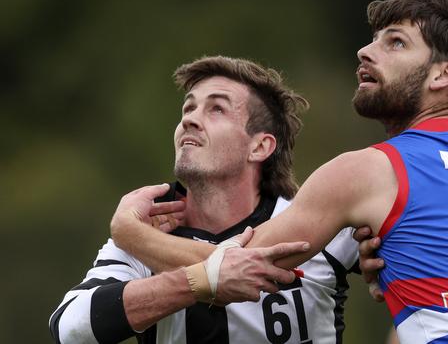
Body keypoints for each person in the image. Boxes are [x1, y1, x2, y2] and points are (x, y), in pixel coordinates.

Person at [111, 0, 448, 343]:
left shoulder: (369, 169)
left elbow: (237, 271)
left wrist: (130, 234)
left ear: (445, 74)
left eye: (396, 42)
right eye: (374, 39)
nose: (366, 50)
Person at [49, 56, 360, 343]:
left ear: (260, 147)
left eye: (217, 109)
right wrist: (199, 281)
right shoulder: (148, 229)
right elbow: (70, 328)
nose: (190, 120)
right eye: (188, 108)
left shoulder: (319, 221)